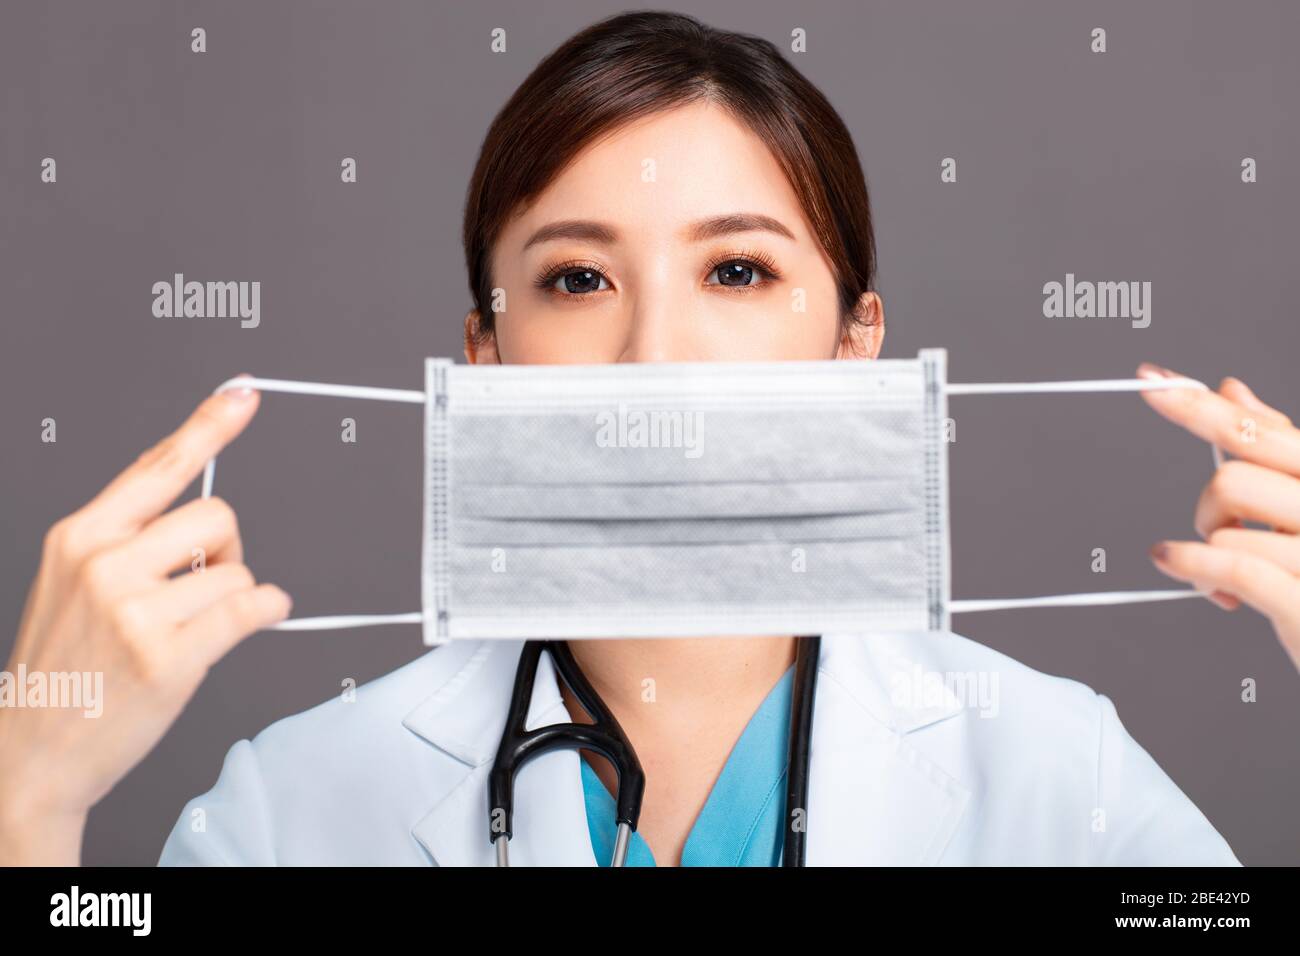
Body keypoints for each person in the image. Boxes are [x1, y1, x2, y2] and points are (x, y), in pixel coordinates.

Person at [3, 11, 1295, 867]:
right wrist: (28, 793)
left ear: (856, 343)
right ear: (486, 356)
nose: (657, 355)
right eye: (577, 280)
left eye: (737, 271)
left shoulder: (1063, 779)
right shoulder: (293, 809)